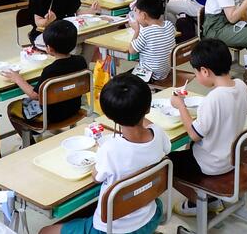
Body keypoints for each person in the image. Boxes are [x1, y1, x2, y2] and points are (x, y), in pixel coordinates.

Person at [41, 74, 170, 234]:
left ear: (109, 116)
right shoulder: (158, 133)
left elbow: (96, 178)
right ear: (148, 108)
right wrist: (138, 111)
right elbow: (164, 145)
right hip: (151, 215)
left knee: (45, 231)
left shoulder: (110, 149)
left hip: (112, 229)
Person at [169, 39, 247, 216]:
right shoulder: (241, 85)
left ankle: (200, 202)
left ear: (205, 71)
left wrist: (181, 106)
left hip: (211, 164)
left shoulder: (213, 99)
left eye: (196, 72)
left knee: (166, 163)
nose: (196, 76)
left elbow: (194, 135)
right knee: (189, 149)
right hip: (233, 158)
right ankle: (212, 200)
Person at [3, 20, 88, 133]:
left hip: (51, 116)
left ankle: (30, 139)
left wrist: (18, 79)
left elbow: (34, 95)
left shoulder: (50, 70)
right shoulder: (81, 61)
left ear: (49, 49)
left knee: (12, 107)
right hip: (74, 109)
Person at [129, 0, 177, 82]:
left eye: (136, 12)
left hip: (149, 76)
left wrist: (136, 31)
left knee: (121, 79)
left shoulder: (146, 32)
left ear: (143, 15)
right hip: (165, 72)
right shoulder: (169, 25)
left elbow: (131, 51)